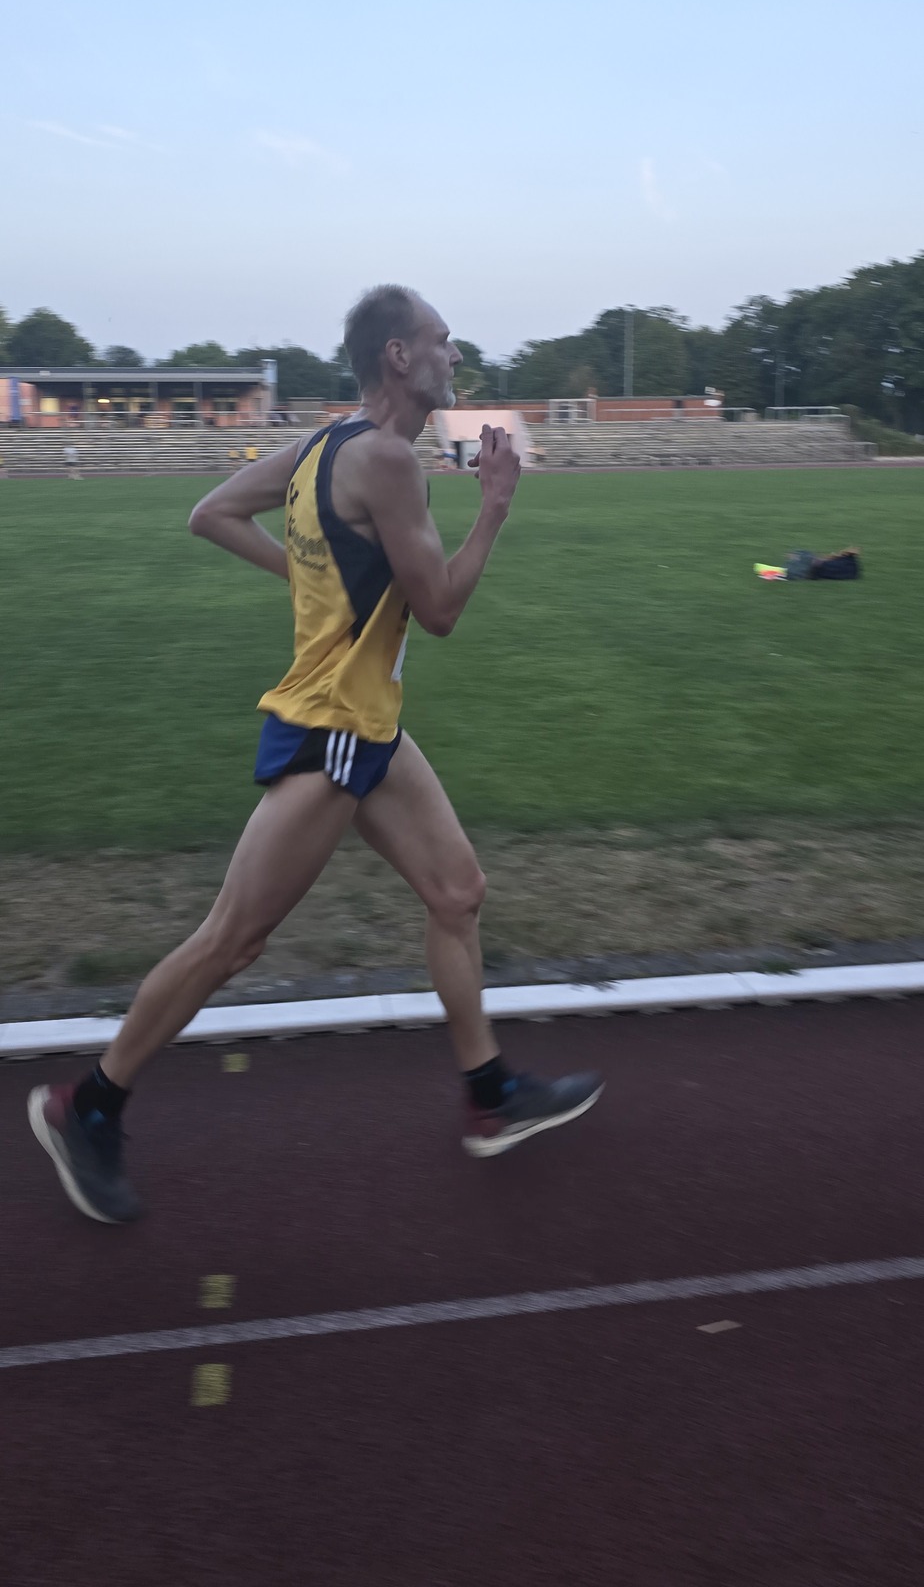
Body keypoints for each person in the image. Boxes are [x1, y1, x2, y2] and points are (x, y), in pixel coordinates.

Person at [29, 285, 603, 1223]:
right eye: (443, 341)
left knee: (457, 892)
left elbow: (212, 513)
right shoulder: (387, 461)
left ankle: (490, 1095)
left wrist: (311, 575)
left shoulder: (324, 446)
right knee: (233, 939)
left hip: (368, 727)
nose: (456, 355)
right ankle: (85, 1107)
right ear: (398, 357)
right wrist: (495, 506)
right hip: (333, 730)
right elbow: (440, 611)